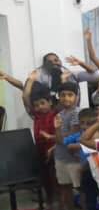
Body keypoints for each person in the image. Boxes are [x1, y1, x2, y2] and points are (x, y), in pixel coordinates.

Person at [0, 69, 57, 201]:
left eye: (43, 103)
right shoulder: (36, 115)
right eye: (36, 105)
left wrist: (31, 80)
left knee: (56, 178)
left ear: (50, 102)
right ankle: (49, 200)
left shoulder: (54, 114)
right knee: (45, 178)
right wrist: (29, 80)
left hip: (53, 151)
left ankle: (59, 200)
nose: (39, 107)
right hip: (40, 152)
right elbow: (26, 97)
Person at [53, 81, 83, 210]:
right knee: (65, 188)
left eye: (70, 95)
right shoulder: (59, 114)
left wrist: (57, 131)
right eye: (63, 95)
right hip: (60, 157)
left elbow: (65, 140)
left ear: (76, 97)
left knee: (79, 189)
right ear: (59, 97)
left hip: (74, 159)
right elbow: (59, 140)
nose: (66, 98)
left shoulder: (77, 114)